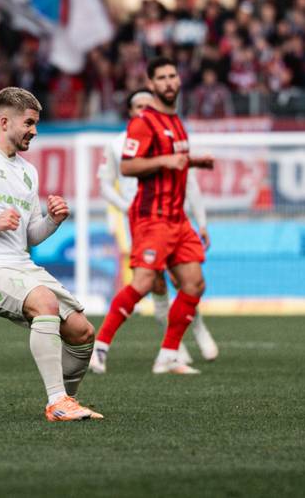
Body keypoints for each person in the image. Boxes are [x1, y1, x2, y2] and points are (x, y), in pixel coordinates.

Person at [0, 87, 103, 422]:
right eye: (29, 123)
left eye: (36, 124)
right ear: (4, 120)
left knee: (82, 333)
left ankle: (65, 400)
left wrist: (52, 221)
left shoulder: (27, 171)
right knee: (45, 303)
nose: (34, 131)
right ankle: (57, 401)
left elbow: (28, 237)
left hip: (20, 265)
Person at [90, 57, 215, 374]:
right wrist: (164, 161)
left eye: (173, 76)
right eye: (162, 78)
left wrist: (195, 162)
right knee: (145, 282)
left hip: (177, 218)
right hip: (153, 216)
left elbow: (176, 164)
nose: (169, 82)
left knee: (193, 283)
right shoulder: (144, 122)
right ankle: (99, 348)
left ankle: (168, 355)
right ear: (152, 84)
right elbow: (129, 166)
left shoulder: (176, 122)